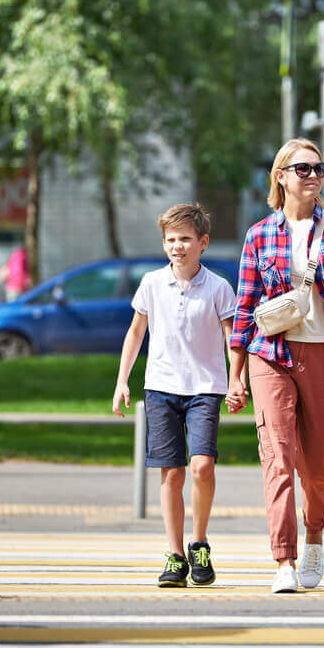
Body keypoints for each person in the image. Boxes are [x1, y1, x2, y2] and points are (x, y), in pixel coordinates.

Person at [227, 138, 324, 594]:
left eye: (319, 168)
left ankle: (314, 537)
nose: (312, 176)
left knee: (317, 463)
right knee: (277, 458)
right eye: (303, 169)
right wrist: (235, 374)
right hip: (270, 354)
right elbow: (245, 305)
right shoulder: (258, 235)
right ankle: (284, 560)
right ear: (281, 176)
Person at [111, 202, 239, 587]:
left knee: (202, 466)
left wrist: (237, 380)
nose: (177, 246)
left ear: (203, 242)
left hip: (205, 388)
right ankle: (175, 555)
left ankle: (199, 542)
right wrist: (122, 381)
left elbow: (233, 338)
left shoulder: (218, 287)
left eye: (185, 239)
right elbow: (135, 334)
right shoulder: (151, 283)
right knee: (172, 473)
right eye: (170, 239)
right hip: (161, 388)